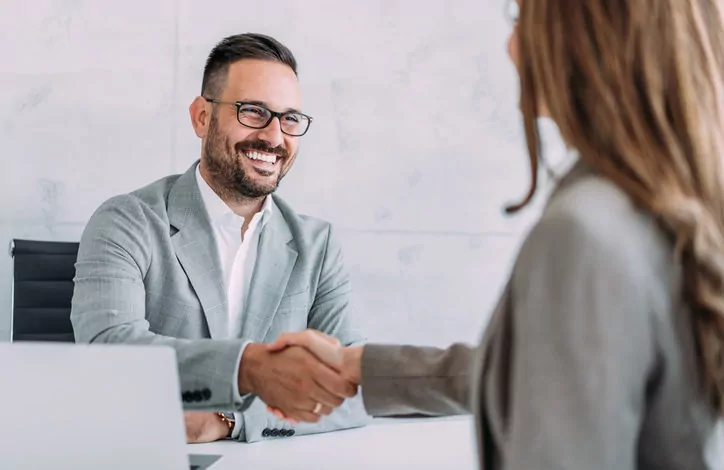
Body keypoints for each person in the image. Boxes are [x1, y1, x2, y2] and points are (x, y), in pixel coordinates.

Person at [266, 0, 724, 467]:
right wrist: (360, 367)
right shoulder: (673, 206)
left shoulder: (582, 235)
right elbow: (548, 373)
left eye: (522, 18)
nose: (510, 47)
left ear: (582, 39)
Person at [70, 33, 370, 444]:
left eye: (290, 119)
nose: (274, 137)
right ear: (201, 117)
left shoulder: (316, 245)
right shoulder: (127, 221)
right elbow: (107, 351)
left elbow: (352, 388)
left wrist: (232, 420)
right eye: (253, 111)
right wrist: (248, 367)